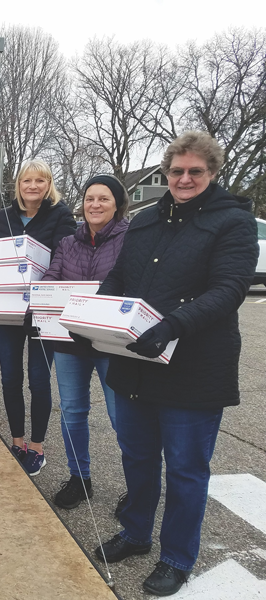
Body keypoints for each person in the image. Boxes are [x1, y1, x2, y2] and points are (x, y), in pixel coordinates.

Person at [92, 131, 258, 597]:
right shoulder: (144, 221)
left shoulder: (233, 223)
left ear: (212, 173)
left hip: (193, 367)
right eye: (177, 171)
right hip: (136, 361)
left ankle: (176, 557)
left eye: (195, 171)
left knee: (186, 468)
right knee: (137, 456)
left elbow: (228, 290)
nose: (184, 179)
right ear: (166, 172)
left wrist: (172, 324)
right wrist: (92, 312)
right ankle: (136, 533)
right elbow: (120, 276)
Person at [0, 160, 77, 475]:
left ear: (48, 184)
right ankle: (17, 440)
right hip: (7, 310)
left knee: (38, 379)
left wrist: (43, 286)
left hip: (42, 310)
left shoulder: (61, 216)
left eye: (39, 181)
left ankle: (37, 447)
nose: (32, 186)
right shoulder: (4, 217)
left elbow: (65, 259)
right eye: (27, 181)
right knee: (9, 377)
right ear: (19, 185)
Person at [39, 175, 129, 508]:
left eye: (103, 199)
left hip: (112, 342)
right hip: (69, 341)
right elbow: (52, 278)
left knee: (123, 417)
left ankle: (137, 486)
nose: (95, 205)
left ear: (117, 203)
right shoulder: (68, 242)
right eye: (90, 198)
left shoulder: (130, 238)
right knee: (73, 412)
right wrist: (41, 296)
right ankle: (80, 479)